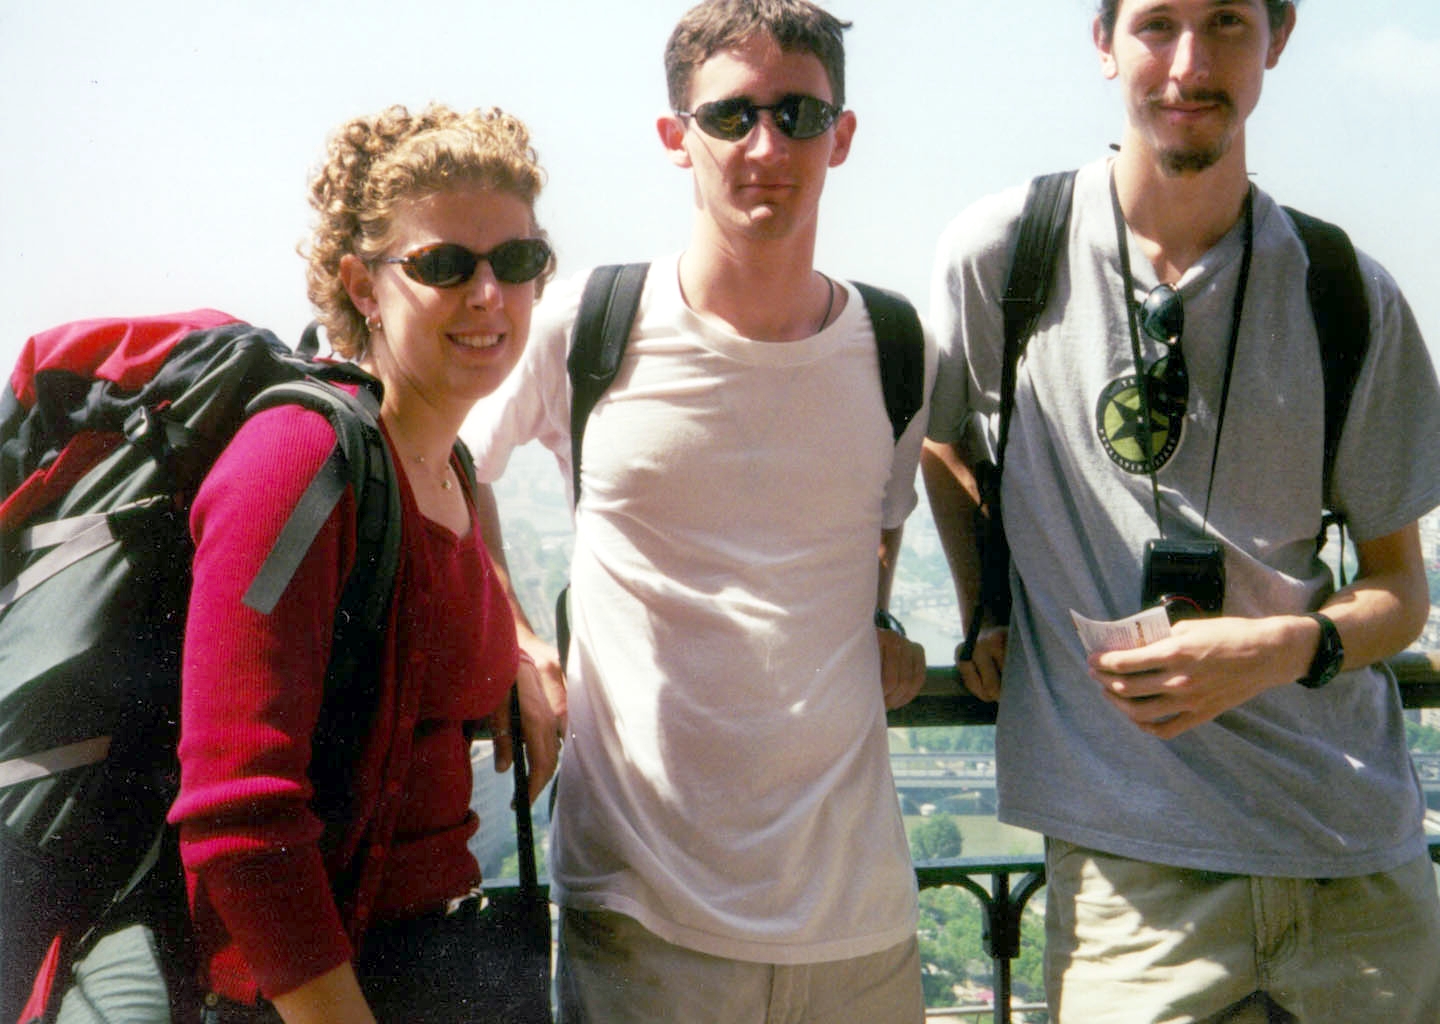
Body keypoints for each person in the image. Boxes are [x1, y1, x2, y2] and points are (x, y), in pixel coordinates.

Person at [922, 2, 1440, 1021]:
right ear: (1103, 45)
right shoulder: (1008, 260)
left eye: (1225, 21)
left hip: (1354, 865)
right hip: (1138, 879)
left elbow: (1400, 593)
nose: (1188, 63)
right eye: (1156, 24)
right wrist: (987, 605)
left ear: (1278, 39)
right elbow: (946, 440)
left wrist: (1273, 651)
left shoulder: (1344, 289)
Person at [460, 1, 931, 1020]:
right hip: (643, 912)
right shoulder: (592, 323)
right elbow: (452, 461)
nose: (767, 146)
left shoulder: (895, 347)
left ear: (843, 136)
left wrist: (882, 621)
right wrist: (514, 635)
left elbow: (872, 532)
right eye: (731, 116)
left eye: (800, 115)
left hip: (857, 921)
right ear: (677, 138)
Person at [146, 104, 560, 1024]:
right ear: (360, 285)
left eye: (519, 262)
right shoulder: (294, 463)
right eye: (444, 265)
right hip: (324, 993)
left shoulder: (444, 465)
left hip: (439, 963)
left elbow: (429, 610)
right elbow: (237, 821)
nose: (490, 294)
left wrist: (520, 655)